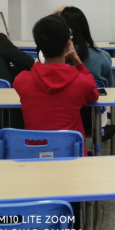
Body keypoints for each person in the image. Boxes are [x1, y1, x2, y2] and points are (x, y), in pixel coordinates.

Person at [13, 15, 99, 156]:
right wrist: (77, 60)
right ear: (68, 44)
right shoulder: (81, 82)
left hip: (33, 157)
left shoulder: (21, 80)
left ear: (39, 45)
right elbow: (94, 95)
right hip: (71, 156)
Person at [60, 6, 115, 141]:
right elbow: (108, 89)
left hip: (58, 122)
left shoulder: (50, 61)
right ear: (85, 28)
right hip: (92, 122)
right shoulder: (102, 57)